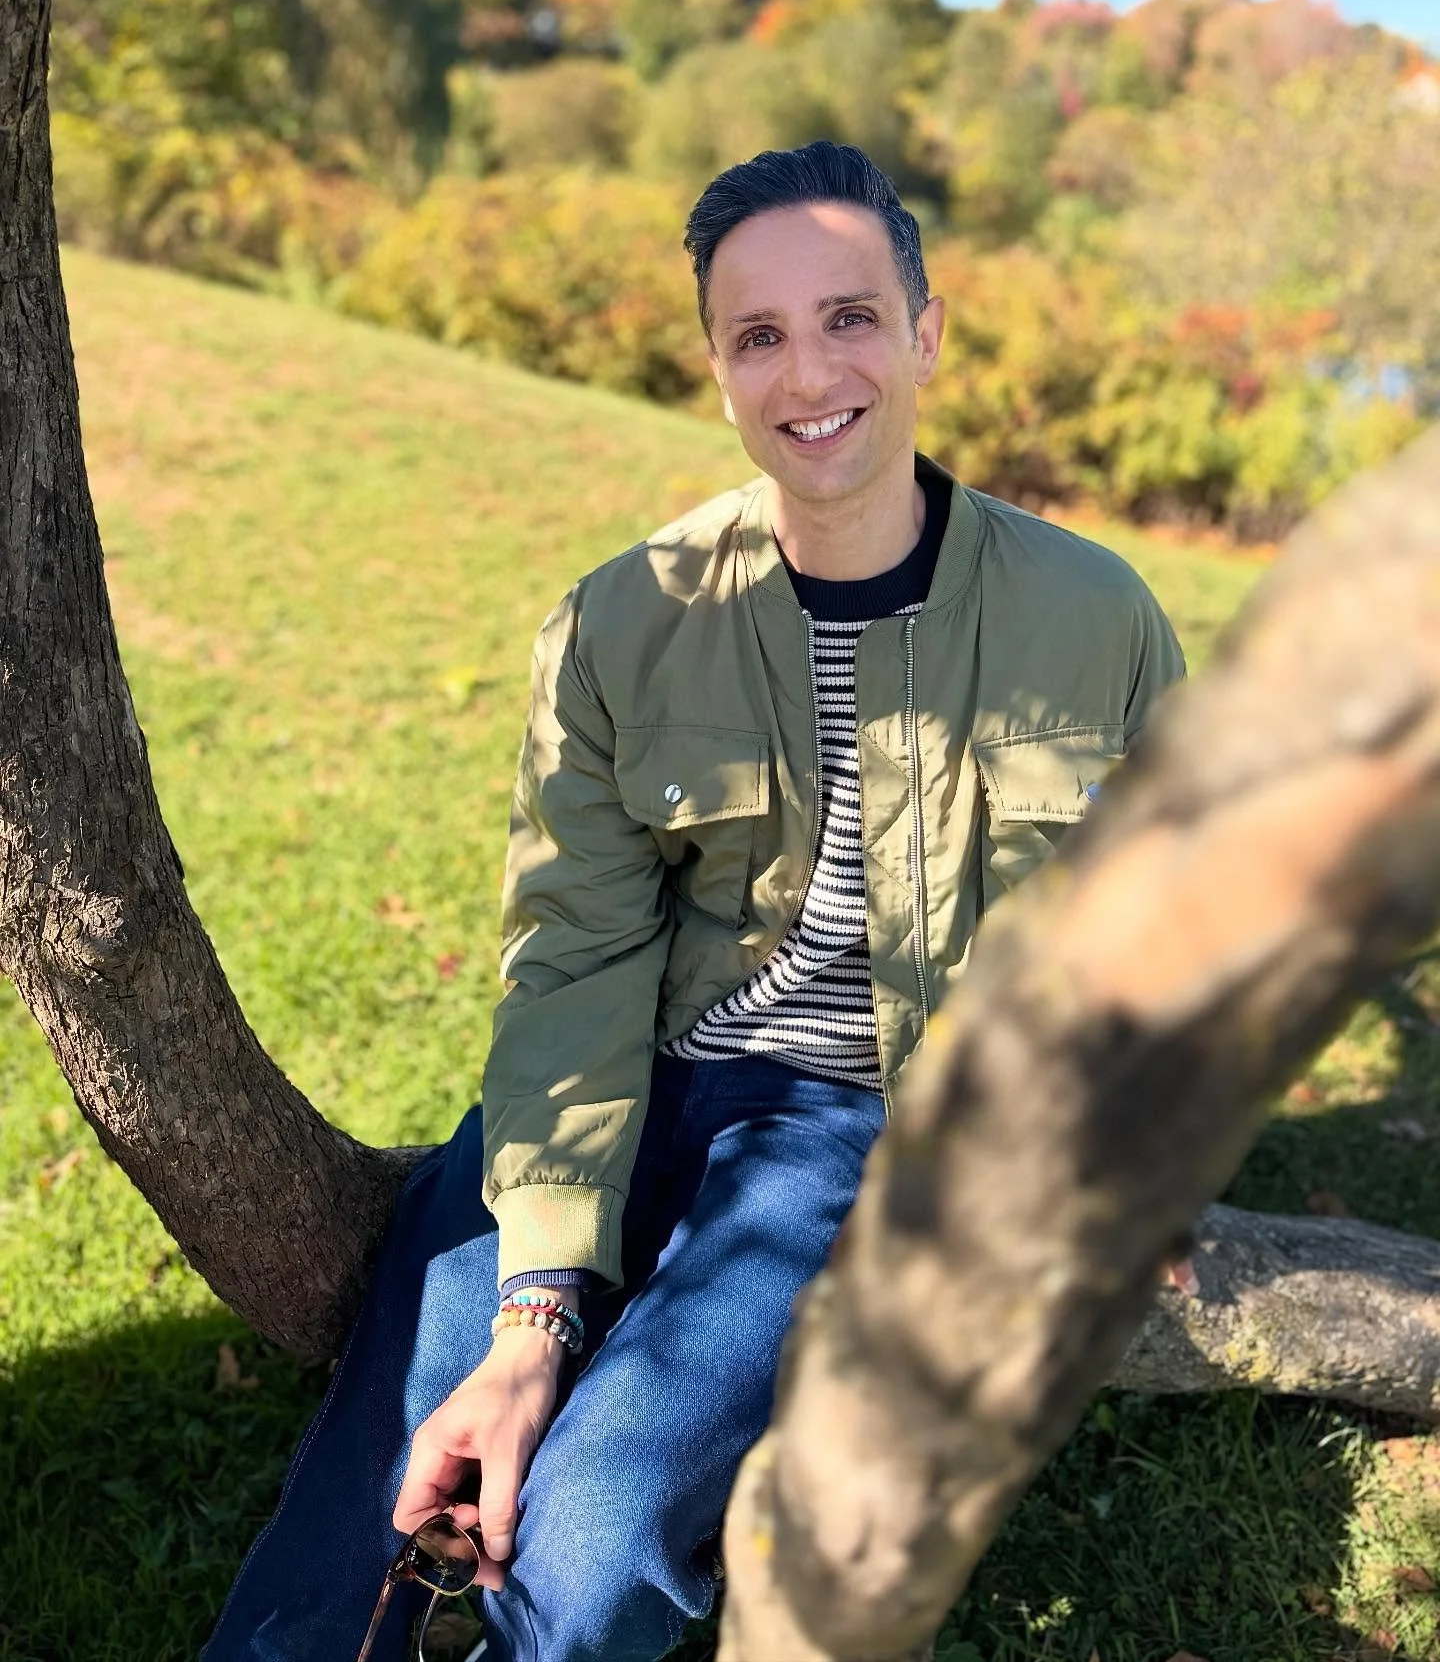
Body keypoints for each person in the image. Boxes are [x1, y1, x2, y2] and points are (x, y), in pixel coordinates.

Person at [206, 141, 1184, 1662]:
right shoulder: (622, 622)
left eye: (852, 318)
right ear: (719, 373)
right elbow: (576, 957)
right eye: (761, 336)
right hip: (626, 1075)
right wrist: (534, 1306)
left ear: (927, 333)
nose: (812, 374)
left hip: (856, 1129)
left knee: (581, 1555)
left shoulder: (1095, 619)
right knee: (376, 1523)